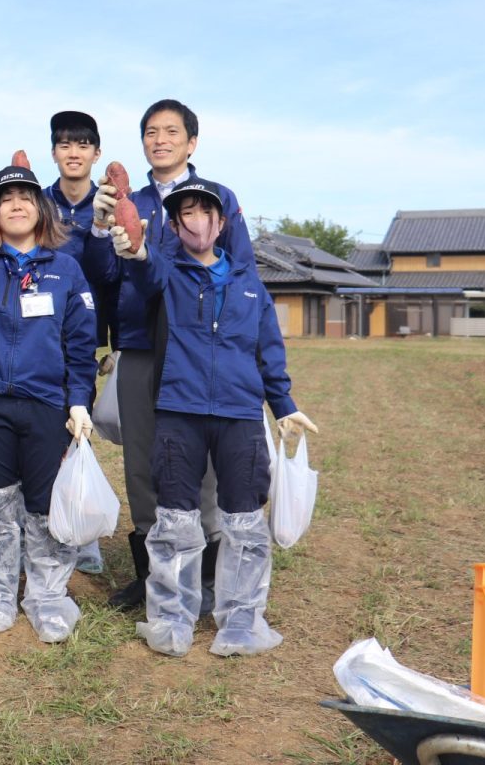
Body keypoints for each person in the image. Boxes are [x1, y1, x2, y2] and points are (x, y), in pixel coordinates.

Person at [111, 177, 318, 657]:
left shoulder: (250, 285)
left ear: (222, 223)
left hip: (239, 414)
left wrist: (284, 405)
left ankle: (242, 621)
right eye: (186, 213)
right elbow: (143, 268)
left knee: (244, 520)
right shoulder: (167, 274)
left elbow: (268, 350)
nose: (197, 221)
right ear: (175, 226)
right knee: (175, 518)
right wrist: (133, 248)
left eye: (206, 212)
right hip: (178, 411)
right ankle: (170, 618)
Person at [91, 99, 255, 615]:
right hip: (140, 343)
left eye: (171, 132)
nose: (159, 140)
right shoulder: (127, 200)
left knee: (199, 463)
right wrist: (99, 229)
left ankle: (205, 576)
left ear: (192, 142)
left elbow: (243, 270)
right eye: (151, 132)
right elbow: (102, 276)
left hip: (197, 349)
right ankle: (152, 577)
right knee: (142, 461)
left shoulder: (216, 197)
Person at [0, 163, 97, 643]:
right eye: (5, 198)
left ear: (41, 209)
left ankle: (48, 595)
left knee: (44, 505)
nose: (16, 204)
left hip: (47, 404)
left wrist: (78, 402)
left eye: (25, 197)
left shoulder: (66, 269)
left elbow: (81, 344)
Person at [43, 110, 114, 576]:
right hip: (36, 333)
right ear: (54, 152)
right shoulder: (36, 200)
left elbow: (109, 274)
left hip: (84, 335)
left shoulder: (106, 201)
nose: (74, 152)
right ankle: (42, 522)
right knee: (41, 430)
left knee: (77, 428)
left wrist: (101, 228)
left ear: (96, 153)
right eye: (65, 144)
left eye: (83, 144)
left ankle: (82, 532)